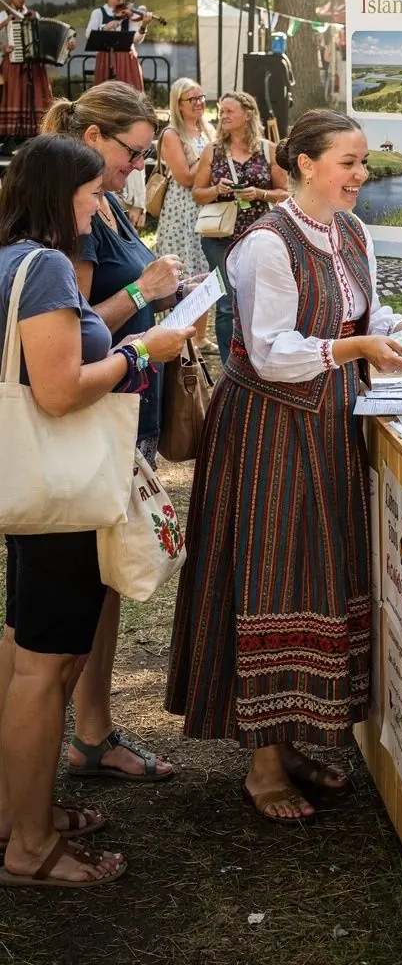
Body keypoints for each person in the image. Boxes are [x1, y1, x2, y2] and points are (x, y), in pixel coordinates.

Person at [166, 109, 402, 822]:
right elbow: (270, 349)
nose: (361, 174)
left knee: (319, 575)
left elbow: (364, 316)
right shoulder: (266, 243)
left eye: (363, 162)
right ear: (303, 164)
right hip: (266, 430)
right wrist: (351, 353)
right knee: (270, 578)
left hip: (328, 422)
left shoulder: (351, 231)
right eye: (348, 162)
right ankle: (263, 764)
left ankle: (290, 741)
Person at [0, 135, 191, 888]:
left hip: (34, 487)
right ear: (59, 193)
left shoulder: (12, 260)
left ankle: (20, 816)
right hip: (62, 491)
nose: (96, 212)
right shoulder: (44, 265)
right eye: (88, 198)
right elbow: (59, 388)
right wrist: (147, 352)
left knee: (25, 655)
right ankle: (30, 848)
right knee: (47, 670)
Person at [42, 82, 192, 782]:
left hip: (125, 405)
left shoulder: (106, 202)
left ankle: (92, 732)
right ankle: (81, 737)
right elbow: (76, 323)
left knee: (103, 585)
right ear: (94, 140)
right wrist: (146, 293)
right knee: (82, 592)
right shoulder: (73, 215)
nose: (140, 164)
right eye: (132, 153)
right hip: (97, 412)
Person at [192, 91, 289, 364]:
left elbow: (285, 192)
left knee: (258, 301)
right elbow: (197, 194)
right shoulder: (212, 150)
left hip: (258, 236)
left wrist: (260, 194)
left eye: (228, 112)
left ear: (248, 114)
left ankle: (256, 360)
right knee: (226, 304)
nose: (222, 116)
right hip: (220, 237)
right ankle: (229, 365)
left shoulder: (269, 149)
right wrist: (216, 189)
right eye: (221, 112)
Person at [155, 78, 216, 351]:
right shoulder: (172, 134)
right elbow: (184, 177)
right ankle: (179, 337)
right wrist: (208, 162)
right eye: (192, 99)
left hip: (205, 208)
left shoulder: (207, 130)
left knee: (202, 272)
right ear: (178, 105)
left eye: (201, 97)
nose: (199, 103)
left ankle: (200, 337)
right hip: (182, 211)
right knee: (183, 273)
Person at [0, 0, 53, 141]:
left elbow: (42, 35)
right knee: (15, 95)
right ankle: (11, 135)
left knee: (35, 95)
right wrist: (3, 47)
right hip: (13, 62)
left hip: (33, 64)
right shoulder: (3, 15)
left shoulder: (33, 15)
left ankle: (36, 133)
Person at [85, 0, 149, 91]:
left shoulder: (128, 13)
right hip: (106, 57)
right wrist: (105, 27)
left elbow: (135, 39)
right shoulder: (98, 13)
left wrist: (143, 25)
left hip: (127, 59)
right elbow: (89, 34)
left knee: (129, 94)